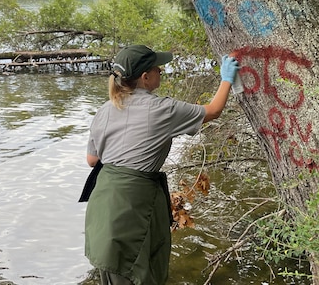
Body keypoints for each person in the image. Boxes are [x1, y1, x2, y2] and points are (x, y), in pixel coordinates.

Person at [82, 44, 239, 285]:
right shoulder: (161, 108)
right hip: (134, 206)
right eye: (158, 68)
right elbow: (214, 110)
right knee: (140, 271)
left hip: (103, 204)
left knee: (114, 270)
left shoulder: (105, 109)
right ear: (145, 77)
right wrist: (226, 79)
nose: (161, 72)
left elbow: (92, 160)